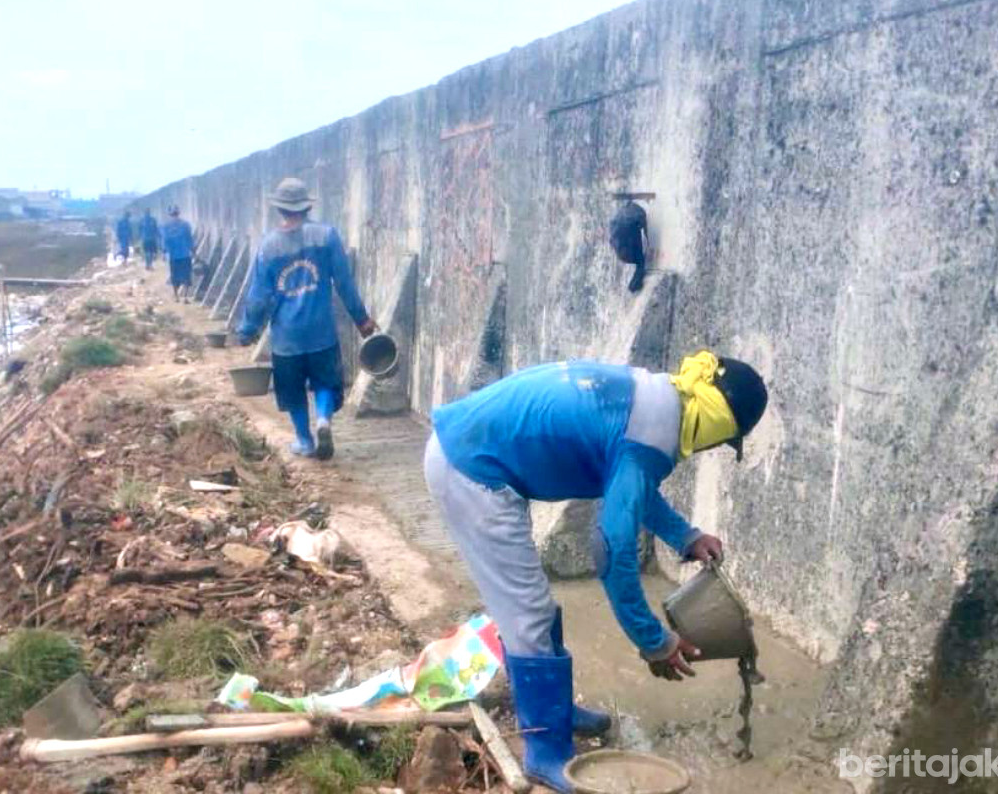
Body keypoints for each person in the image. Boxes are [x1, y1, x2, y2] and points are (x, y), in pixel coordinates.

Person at [423, 351, 768, 792]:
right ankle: (545, 752)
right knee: (527, 612)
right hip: (470, 469)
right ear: (718, 422)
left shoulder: (660, 401)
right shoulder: (651, 438)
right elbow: (611, 551)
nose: (709, 449)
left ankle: (556, 712)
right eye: (722, 441)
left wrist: (686, 536)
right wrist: (654, 641)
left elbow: (633, 488)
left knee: (532, 607)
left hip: (471, 447)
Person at [235, 178, 377, 460]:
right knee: (325, 383)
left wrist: (247, 329)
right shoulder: (327, 236)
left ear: (280, 209)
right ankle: (323, 420)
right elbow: (344, 283)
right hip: (322, 333)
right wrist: (362, 320)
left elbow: (258, 296)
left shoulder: (268, 246)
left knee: (293, 392)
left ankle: (304, 441)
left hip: (285, 338)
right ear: (306, 206)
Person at [162, 205, 194, 303]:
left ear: (170, 214)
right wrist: (193, 250)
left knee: (175, 276)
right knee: (186, 275)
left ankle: (176, 296)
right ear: (178, 213)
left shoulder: (166, 226)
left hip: (173, 256)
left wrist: (164, 252)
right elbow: (189, 239)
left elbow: (165, 240)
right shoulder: (185, 224)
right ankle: (185, 297)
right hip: (185, 254)